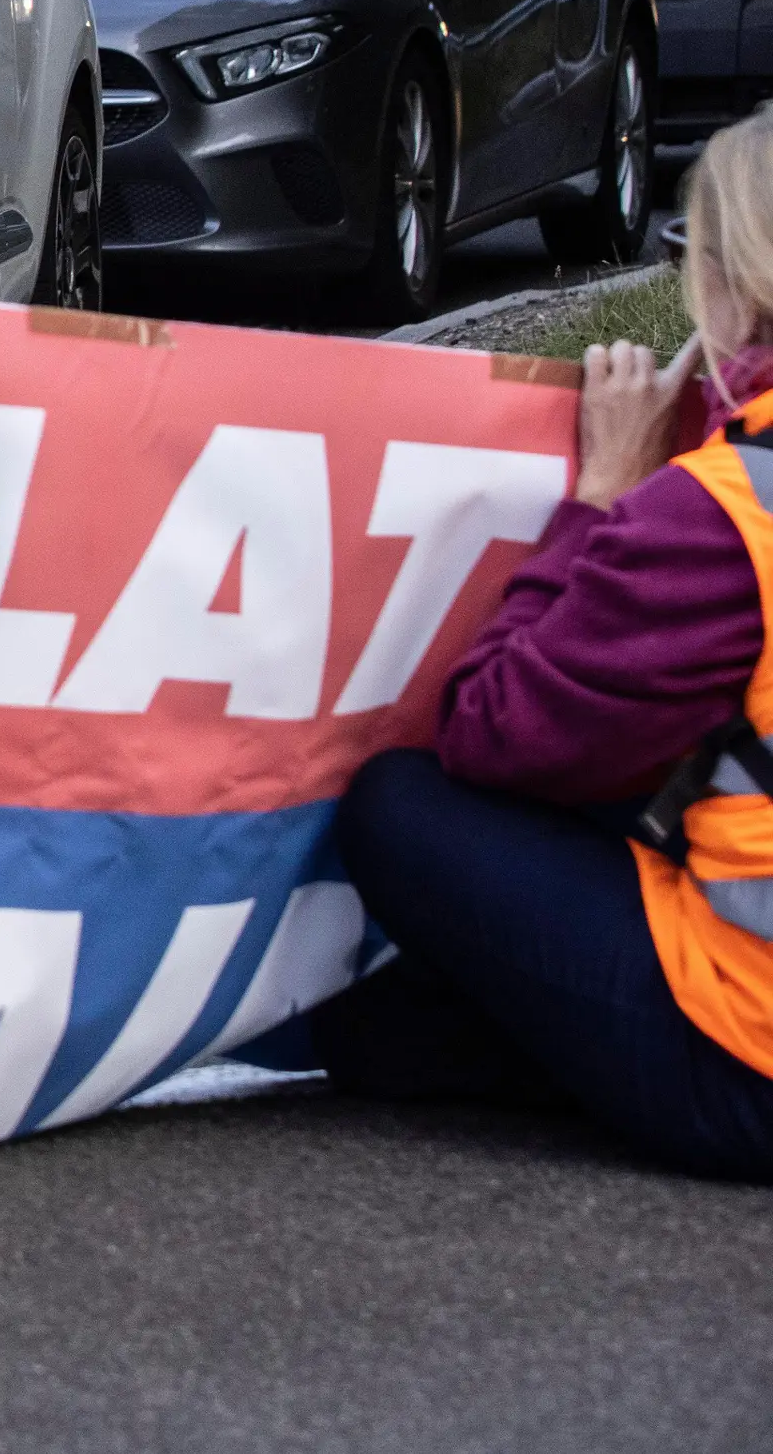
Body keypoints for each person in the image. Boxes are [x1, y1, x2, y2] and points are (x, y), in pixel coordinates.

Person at [311, 106, 773, 1180]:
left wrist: (608, 496)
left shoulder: (728, 509)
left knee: (402, 807)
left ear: (730, 284)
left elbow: (494, 730)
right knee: (393, 1039)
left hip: (750, 1063)